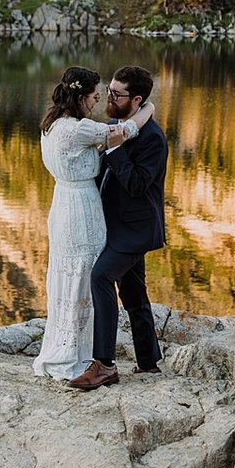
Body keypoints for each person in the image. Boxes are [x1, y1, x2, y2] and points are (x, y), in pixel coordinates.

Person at [34, 66, 154, 381]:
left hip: (61, 206)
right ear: (83, 97)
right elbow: (124, 132)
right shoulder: (80, 128)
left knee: (68, 276)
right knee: (87, 277)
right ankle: (88, 357)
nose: (99, 99)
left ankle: (68, 348)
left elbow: (96, 147)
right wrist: (148, 109)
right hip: (82, 209)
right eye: (95, 95)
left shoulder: (51, 124)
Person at [70, 65, 168, 392]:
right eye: (109, 90)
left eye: (116, 94)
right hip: (115, 226)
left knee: (101, 277)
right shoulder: (117, 126)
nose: (108, 98)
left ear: (136, 99)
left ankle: (105, 365)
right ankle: (149, 360)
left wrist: (114, 149)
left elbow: (138, 186)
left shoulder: (153, 139)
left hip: (135, 230)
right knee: (133, 293)